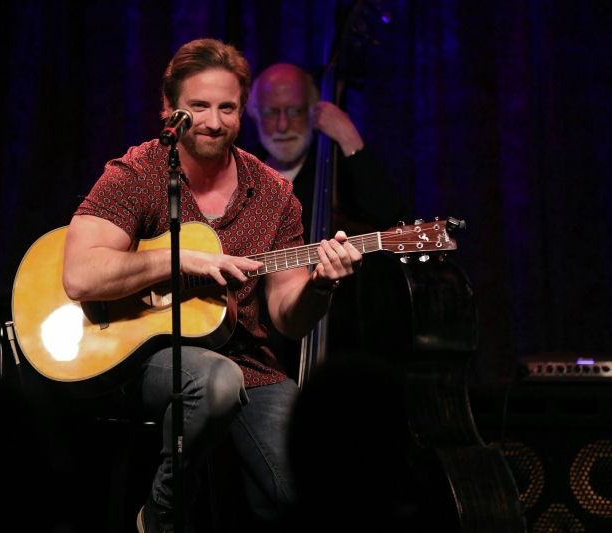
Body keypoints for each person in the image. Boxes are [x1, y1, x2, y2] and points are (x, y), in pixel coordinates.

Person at [62, 38, 362, 533]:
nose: (213, 121)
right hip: (140, 354)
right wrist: (179, 259)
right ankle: (162, 515)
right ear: (169, 108)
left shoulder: (273, 193)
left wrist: (321, 287)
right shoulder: (137, 172)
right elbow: (80, 275)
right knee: (213, 381)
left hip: (246, 360)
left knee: (312, 482)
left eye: (227, 108)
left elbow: (288, 313)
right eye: (198, 106)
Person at [247, 63, 410, 369]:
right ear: (254, 114)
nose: (282, 125)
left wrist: (348, 138)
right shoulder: (243, 174)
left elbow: (393, 220)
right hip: (258, 344)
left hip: (341, 341)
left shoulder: (336, 172)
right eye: (271, 112)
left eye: (294, 111)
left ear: (314, 112)